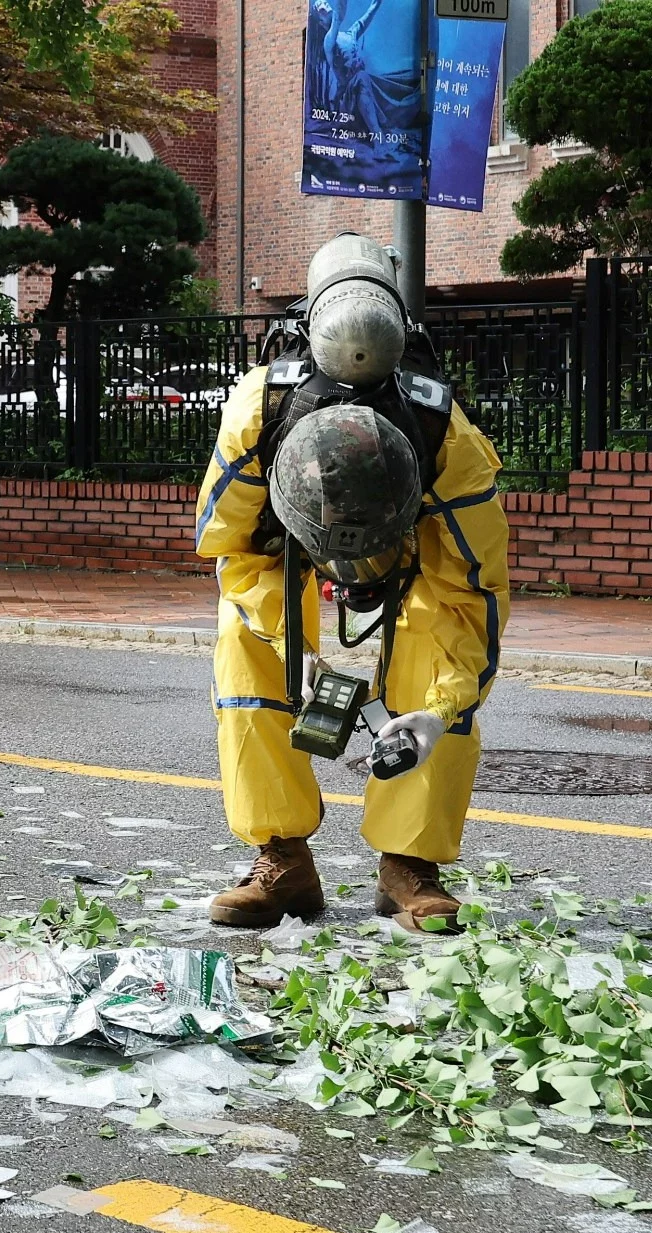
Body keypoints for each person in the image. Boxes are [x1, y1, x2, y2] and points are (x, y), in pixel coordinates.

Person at [194, 232, 508, 934]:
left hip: (415, 553)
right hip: (282, 550)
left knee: (435, 643)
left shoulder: (447, 444)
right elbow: (230, 548)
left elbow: (475, 596)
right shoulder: (258, 415)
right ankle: (281, 857)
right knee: (243, 647)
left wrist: (440, 711)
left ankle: (409, 863)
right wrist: (294, 643)